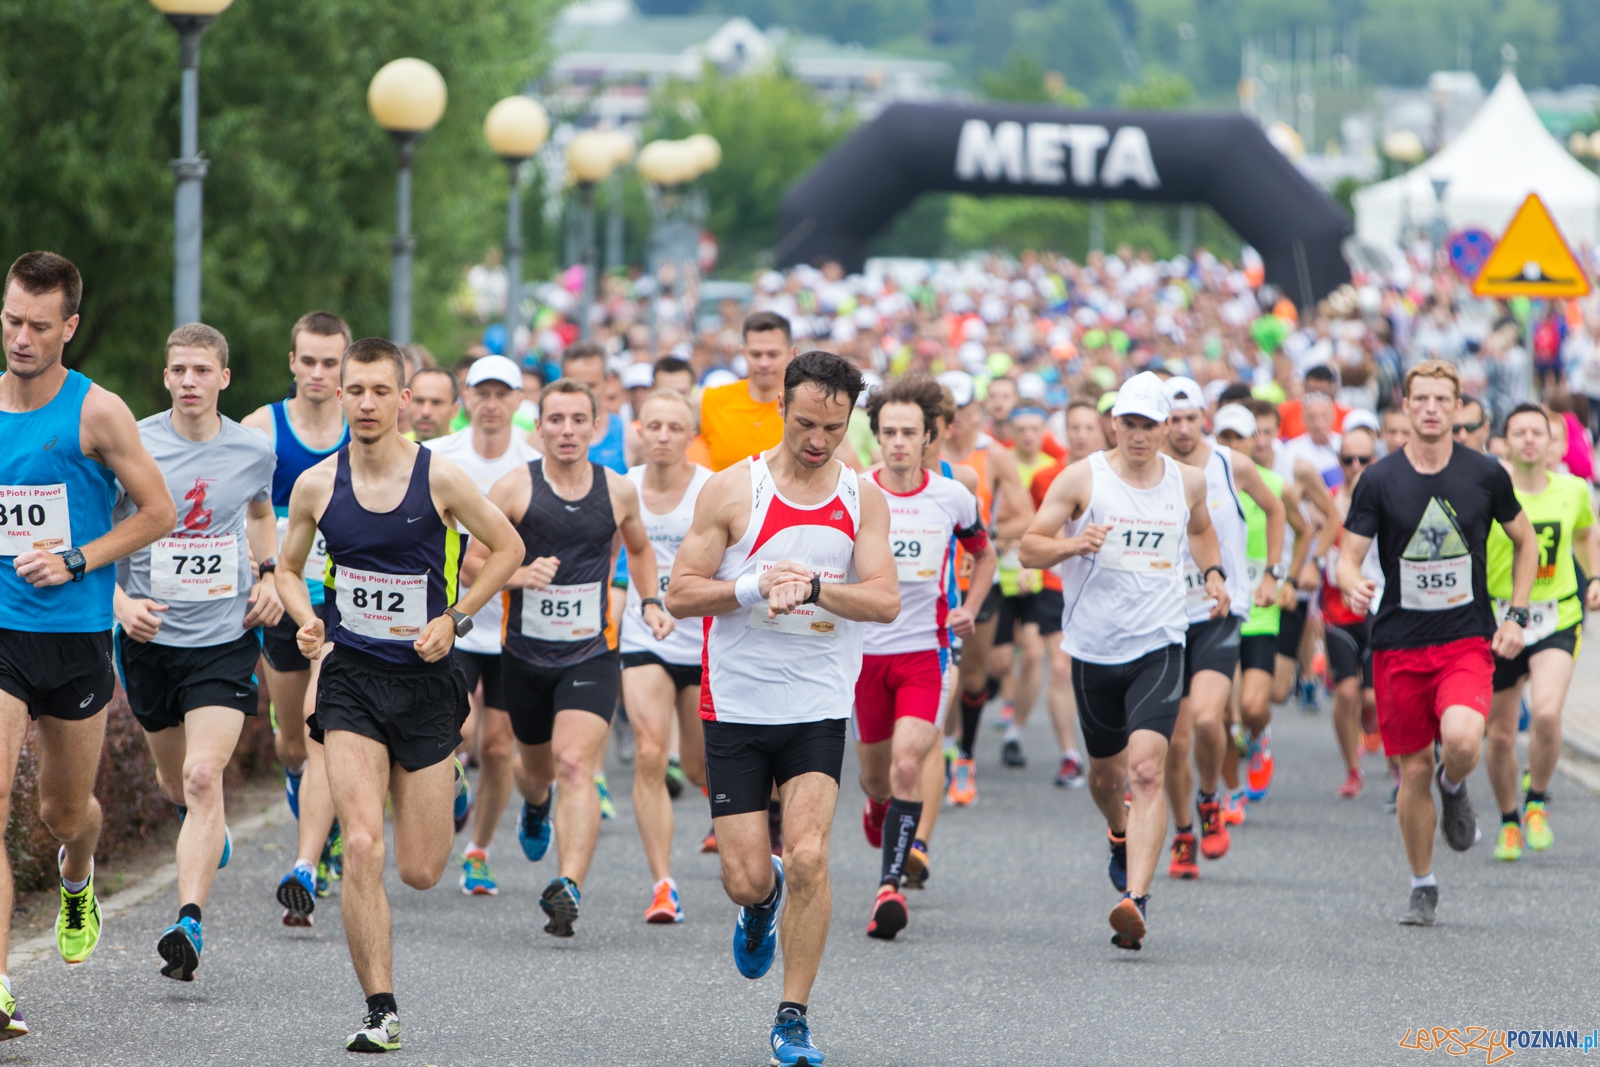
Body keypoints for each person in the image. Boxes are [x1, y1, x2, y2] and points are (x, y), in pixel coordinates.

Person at [276, 337, 522, 1052]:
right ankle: (379, 1006)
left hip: (425, 686)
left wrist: (457, 617)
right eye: (356, 390)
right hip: (352, 677)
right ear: (341, 395)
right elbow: (287, 568)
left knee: (419, 869)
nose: (367, 403)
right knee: (360, 842)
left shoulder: (439, 479)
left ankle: (445, 788)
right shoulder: (319, 485)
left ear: (405, 399)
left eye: (382, 391)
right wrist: (306, 618)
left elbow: (505, 547)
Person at [666, 350, 898, 1067]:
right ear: (781, 410)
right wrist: (752, 586)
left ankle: (793, 1014)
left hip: (817, 701)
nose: (817, 440)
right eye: (805, 423)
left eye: (832, 426)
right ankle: (757, 907)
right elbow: (679, 592)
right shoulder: (736, 489)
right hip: (735, 702)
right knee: (748, 875)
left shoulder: (865, 498)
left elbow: (885, 600)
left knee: (806, 856)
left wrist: (818, 589)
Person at [0, 252, 176, 1037]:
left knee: (64, 812)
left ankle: (79, 873)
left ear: (69, 326)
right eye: (11, 320)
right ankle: (0, 984)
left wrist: (76, 558)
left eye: (39, 325)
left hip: (71, 636)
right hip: (2, 629)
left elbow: (158, 512)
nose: (21, 337)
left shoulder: (97, 411)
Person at [1020, 371, 1228, 951]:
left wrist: (1212, 574)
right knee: (1108, 776)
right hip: (1093, 648)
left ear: (1167, 427)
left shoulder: (1187, 482)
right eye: (1129, 423)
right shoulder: (1082, 478)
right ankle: (1118, 832)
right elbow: (1029, 546)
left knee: (1146, 770)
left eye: (1149, 425)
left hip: (1160, 642)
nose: (1138, 435)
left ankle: (1134, 900)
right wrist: (1071, 544)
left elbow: (1203, 531)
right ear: (1115, 423)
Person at [1336, 360, 1537, 927]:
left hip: (1465, 639)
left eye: (1440, 399)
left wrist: (1516, 615)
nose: (1429, 408)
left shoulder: (1484, 474)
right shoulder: (1378, 479)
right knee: (1413, 770)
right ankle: (1422, 883)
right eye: (1418, 399)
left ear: (1456, 407)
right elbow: (1347, 556)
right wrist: (1351, 582)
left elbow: (1526, 544)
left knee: (1462, 739)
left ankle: (1458, 784)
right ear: (1405, 407)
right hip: (1399, 644)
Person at [472, 377, 672, 936]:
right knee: (535, 773)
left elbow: (639, 548)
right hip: (525, 656)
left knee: (575, 764)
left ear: (596, 426)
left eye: (577, 420)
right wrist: (517, 576)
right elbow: (470, 562)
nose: (566, 431)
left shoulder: (617, 490)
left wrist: (650, 599)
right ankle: (535, 806)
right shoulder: (514, 487)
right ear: (538, 429)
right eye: (554, 420)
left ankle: (569, 885)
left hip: (592, 653)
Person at [112, 324, 280, 982]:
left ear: (224, 378)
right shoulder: (135, 443)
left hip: (223, 638)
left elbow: (263, 513)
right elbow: (103, 532)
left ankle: (188, 921)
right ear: (164, 377)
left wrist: (266, 572)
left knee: (203, 776)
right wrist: (120, 605)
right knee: (173, 778)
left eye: (201, 370)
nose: (189, 381)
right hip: (150, 638)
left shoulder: (252, 449)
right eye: (178, 369)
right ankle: (198, 822)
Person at [857, 375, 994, 940]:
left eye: (909, 432)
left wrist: (972, 607)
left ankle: (888, 887)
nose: (897, 443)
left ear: (929, 437)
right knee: (876, 778)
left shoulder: (953, 495)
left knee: (910, 763)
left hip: (925, 652)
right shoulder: (855, 492)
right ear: (877, 437)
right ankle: (879, 809)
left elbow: (984, 555)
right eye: (888, 432)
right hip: (864, 655)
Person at [241, 310, 351, 923]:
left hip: (342, 602)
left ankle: (311, 856)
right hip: (284, 599)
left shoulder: (362, 428)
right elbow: (235, 507)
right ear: (292, 362)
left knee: (323, 726)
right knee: (291, 742)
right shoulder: (263, 428)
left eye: (330, 362)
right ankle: (307, 795)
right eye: (307, 360)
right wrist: (263, 574)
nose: (317, 373)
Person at [421, 355, 540, 896]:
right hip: (455, 618)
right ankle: (452, 780)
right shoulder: (437, 457)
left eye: (503, 394)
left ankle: (479, 850)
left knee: (498, 746)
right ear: (464, 398)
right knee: (456, 732)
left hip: (517, 629)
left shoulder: (536, 459)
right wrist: (502, 575)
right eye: (481, 393)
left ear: (518, 402)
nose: (491, 404)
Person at [1160, 379, 1283, 875]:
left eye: (1192, 418)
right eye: (1174, 418)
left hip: (1217, 609)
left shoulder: (1232, 465)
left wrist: (1272, 572)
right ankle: (1184, 832)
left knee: (1210, 719)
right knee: (1174, 739)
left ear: (1206, 416)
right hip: (1163, 616)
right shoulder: (1149, 470)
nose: (1183, 428)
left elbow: (1276, 511)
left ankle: (1210, 799)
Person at [1484, 403, 1600, 861]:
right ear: (1506, 443)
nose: (1530, 440)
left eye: (1539, 432)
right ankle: (1508, 819)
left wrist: (1593, 578)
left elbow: (1587, 534)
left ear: (1554, 444)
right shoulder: (1490, 488)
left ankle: (1536, 802)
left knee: (1549, 714)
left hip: (1557, 614)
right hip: (1500, 617)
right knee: (1500, 735)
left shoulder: (1572, 490)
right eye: (1520, 432)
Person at [619, 390, 712, 923]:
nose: (662, 436)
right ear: (639, 429)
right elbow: (605, 554)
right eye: (653, 426)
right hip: (643, 634)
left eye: (675, 428)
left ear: (691, 434)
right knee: (652, 751)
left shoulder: (710, 489)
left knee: (701, 766)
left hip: (703, 639)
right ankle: (663, 883)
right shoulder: (624, 486)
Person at [937, 370, 1033, 805]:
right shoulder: (924, 450)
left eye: (960, 409)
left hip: (978, 577)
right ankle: (941, 748)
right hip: (933, 580)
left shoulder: (994, 456)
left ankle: (966, 755)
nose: (953, 419)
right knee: (941, 676)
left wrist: (984, 533)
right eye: (945, 411)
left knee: (974, 677)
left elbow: (1025, 516)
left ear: (975, 409)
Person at [1211, 404, 1308, 807]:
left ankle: (1258, 737)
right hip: (1217, 609)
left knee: (1253, 707)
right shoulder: (1202, 483)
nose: (1233, 446)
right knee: (1221, 713)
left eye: (1240, 438)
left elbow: (1305, 532)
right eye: (1225, 438)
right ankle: (1231, 793)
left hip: (1261, 607)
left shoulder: (1274, 485)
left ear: (1256, 441)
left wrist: (1285, 578)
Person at [990, 403, 1062, 771]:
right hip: (997, 573)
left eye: (1036, 428)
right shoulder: (999, 462)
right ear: (1012, 430)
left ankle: (1015, 732)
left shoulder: (1053, 468)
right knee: (999, 661)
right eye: (1022, 429)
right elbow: (993, 517)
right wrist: (1001, 538)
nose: (1029, 435)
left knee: (1034, 654)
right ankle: (988, 689)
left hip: (1033, 575)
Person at [1318, 417, 1380, 798]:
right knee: (1345, 693)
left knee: (1372, 697)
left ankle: (1371, 721)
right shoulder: (1330, 502)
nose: (1354, 467)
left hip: (1377, 610)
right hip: (1338, 611)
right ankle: (1352, 768)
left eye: (1363, 460)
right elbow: (1317, 550)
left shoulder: (1389, 497)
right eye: (1347, 460)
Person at [698, 311, 795, 473]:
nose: (764, 363)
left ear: (791, 353)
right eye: (755, 354)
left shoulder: (805, 407)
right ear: (743, 353)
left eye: (773, 354)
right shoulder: (710, 400)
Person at [403, 367, 459, 443]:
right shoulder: (392, 449)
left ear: (455, 409)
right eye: (419, 401)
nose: (425, 412)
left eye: (437, 403)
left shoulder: (467, 451)